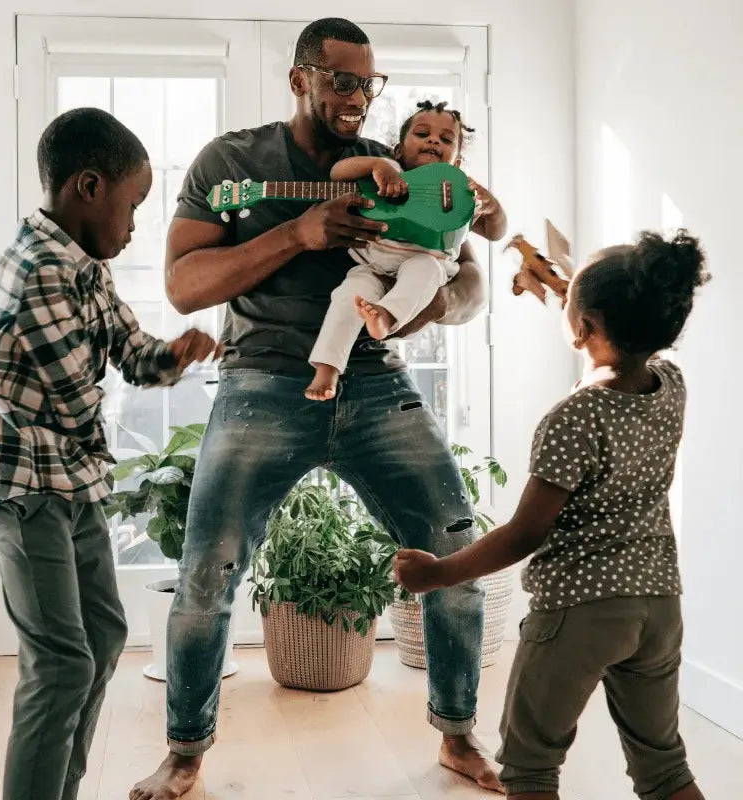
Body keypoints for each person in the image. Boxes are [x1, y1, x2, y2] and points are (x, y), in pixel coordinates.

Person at [131, 17, 506, 800]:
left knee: (454, 549)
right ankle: (186, 750)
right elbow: (183, 285)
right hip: (262, 379)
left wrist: (425, 305)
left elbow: (470, 283)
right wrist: (297, 234)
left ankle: (459, 733)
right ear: (299, 77)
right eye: (341, 81)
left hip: (376, 379)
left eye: (369, 85)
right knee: (209, 570)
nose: (356, 99)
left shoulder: (400, 165)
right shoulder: (232, 164)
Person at [394, 229, 710, 800]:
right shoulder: (670, 385)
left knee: (532, 766)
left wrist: (438, 574)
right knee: (663, 766)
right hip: (658, 605)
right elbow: (625, 351)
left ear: (584, 328)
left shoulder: (573, 417)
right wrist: (580, 305)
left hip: (580, 610)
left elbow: (524, 533)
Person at [0, 107, 220, 800]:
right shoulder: (39, 272)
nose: (135, 225)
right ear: (88, 188)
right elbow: (77, 403)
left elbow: (130, 352)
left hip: (66, 481)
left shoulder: (84, 267)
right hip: (22, 489)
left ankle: (58, 786)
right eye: (132, 205)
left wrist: (172, 354)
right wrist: (129, 376)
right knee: (60, 663)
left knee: (103, 635)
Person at [306, 99, 506, 400]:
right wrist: (379, 165)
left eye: (446, 139)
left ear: (457, 162)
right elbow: (338, 172)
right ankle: (327, 370)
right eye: (422, 134)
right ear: (399, 150)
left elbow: (495, 231)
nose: (433, 140)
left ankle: (386, 317)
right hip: (372, 266)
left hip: (426, 264)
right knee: (348, 297)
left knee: (425, 270)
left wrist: (492, 206)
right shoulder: (390, 171)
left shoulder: (456, 193)